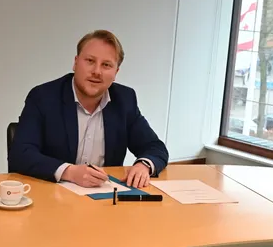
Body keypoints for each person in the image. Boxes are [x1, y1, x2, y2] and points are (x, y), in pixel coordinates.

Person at [9, 29, 169, 188]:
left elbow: (155, 147)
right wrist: (69, 172)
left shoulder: (124, 100)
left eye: (106, 65)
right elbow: (20, 154)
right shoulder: (43, 97)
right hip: (51, 196)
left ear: (116, 72)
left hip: (104, 201)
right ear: (76, 62)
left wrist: (144, 165)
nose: (97, 72)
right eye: (90, 61)